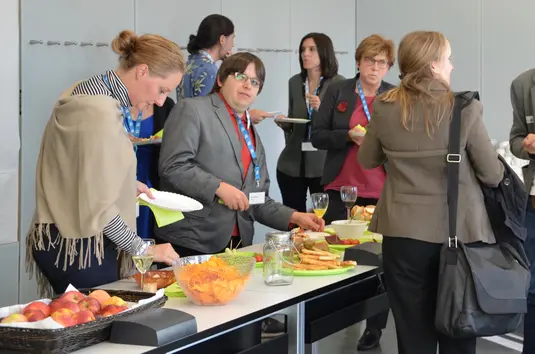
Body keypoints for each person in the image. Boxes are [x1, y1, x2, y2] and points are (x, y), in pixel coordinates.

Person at [358, 30, 503, 354]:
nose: (451, 66)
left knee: (412, 335)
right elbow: (492, 175)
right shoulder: (464, 108)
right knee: (458, 331)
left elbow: (367, 159)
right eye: (448, 59)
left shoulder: (383, 106)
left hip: (402, 235)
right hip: (458, 237)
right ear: (434, 65)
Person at [26, 30, 184, 296]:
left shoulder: (89, 90)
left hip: (62, 238)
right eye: (162, 90)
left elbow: (79, 169)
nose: (160, 101)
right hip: (79, 246)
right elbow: (98, 205)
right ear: (142, 71)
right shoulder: (98, 111)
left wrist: (124, 185)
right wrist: (145, 249)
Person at [156, 52, 325, 257]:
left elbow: (257, 199)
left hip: (238, 244)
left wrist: (295, 216)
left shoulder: (250, 131)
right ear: (220, 79)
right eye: (240, 76)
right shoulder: (193, 110)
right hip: (192, 242)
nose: (247, 85)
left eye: (255, 81)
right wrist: (218, 187)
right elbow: (173, 166)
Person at [310, 34, 395, 351]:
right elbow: (317, 135)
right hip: (339, 189)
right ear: (358, 62)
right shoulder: (339, 90)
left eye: (382, 62)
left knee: (379, 264)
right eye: (369, 60)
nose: (375, 67)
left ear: (388, 67)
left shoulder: (395, 97)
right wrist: (347, 135)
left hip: (382, 191)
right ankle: (326, 317)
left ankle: (374, 327)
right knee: (333, 254)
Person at [276, 33, 344, 213]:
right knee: (293, 223)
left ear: (324, 52)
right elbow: (293, 123)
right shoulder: (294, 82)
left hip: (323, 168)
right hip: (291, 165)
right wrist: (285, 123)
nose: (305, 54)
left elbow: (342, 128)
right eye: (303, 50)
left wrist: (322, 110)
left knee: (321, 224)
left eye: (312, 49)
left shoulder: (339, 84)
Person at [509, 67, 535, 354]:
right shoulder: (523, 84)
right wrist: (525, 146)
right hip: (532, 206)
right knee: (531, 289)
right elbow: (515, 139)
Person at [130, 98, 175, 238]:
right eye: (162, 89)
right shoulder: (113, 105)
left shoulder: (166, 105)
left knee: (147, 232)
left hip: (151, 176)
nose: (161, 98)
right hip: (121, 175)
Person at [177, 14, 235, 100]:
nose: (233, 44)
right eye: (232, 38)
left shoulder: (191, 61)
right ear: (222, 40)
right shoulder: (209, 70)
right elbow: (209, 110)